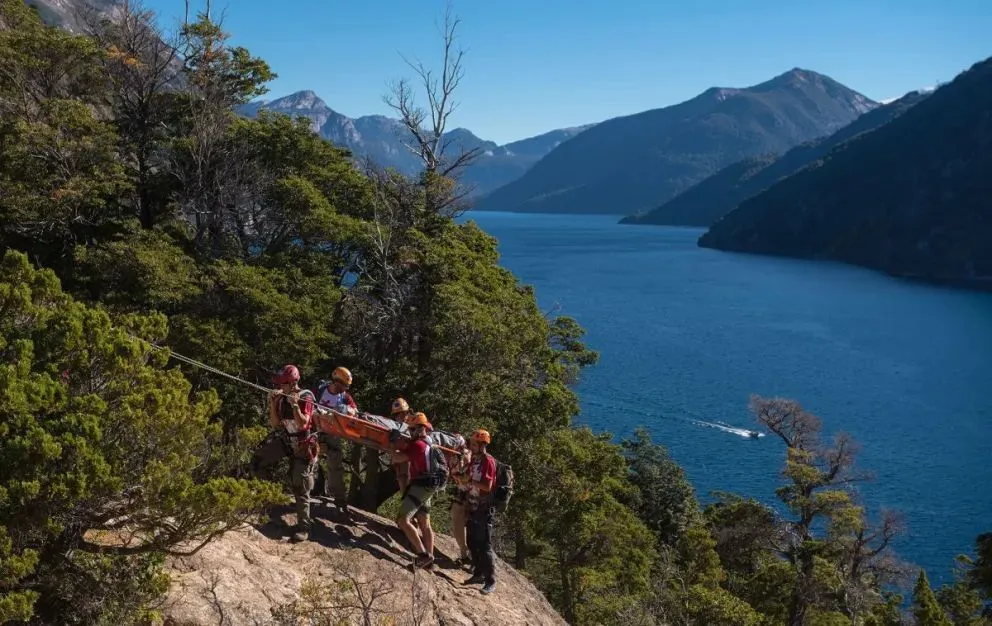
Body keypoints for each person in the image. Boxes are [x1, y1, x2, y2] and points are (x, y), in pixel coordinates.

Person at [249, 364, 318, 542]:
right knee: (258, 461)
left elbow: (303, 424)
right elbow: (274, 423)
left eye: (283, 384)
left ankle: (304, 528)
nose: (280, 387)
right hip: (287, 441)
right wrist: (273, 403)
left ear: (293, 383)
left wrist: (295, 405)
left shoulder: (306, 397)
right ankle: (266, 503)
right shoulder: (281, 398)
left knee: (300, 485)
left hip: (303, 444)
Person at [391, 412, 443, 569]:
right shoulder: (430, 442)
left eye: (412, 429)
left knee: (402, 520)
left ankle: (423, 555)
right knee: (424, 523)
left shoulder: (417, 445)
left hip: (421, 486)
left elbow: (397, 458)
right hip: (430, 485)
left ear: (421, 429)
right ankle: (430, 561)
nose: (410, 432)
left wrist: (392, 444)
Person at [313, 366, 356, 513]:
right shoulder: (320, 390)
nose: (345, 389)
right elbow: (308, 403)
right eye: (344, 385)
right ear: (336, 381)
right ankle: (307, 492)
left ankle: (340, 500)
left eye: (347, 386)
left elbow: (354, 411)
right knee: (308, 461)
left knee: (335, 465)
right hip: (315, 430)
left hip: (333, 434)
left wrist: (345, 410)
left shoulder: (345, 397)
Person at [463, 429, 498, 594]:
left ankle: (490, 580)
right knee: (471, 542)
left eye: (474, 444)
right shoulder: (475, 460)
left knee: (484, 545)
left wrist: (470, 481)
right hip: (472, 505)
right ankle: (478, 573)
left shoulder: (488, 461)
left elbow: (487, 486)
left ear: (483, 445)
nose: (471, 446)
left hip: (483, 508)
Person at [449, 442, 473, 567]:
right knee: (457, 529)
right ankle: (465, 556)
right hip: (460, 498)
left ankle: (470, 557)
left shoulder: (474, 464)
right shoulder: (458, 460)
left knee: (471, 531)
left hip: (471, 500)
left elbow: (466, 479)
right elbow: (455, 475)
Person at [388, 398, 415, 491]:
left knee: (407, 479)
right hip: (400, 457)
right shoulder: (395, 426)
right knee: (401, 479)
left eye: (402, 414)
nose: (398, 417)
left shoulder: (413, 424)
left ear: (407, 413)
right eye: (396, 415)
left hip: (408, 457)